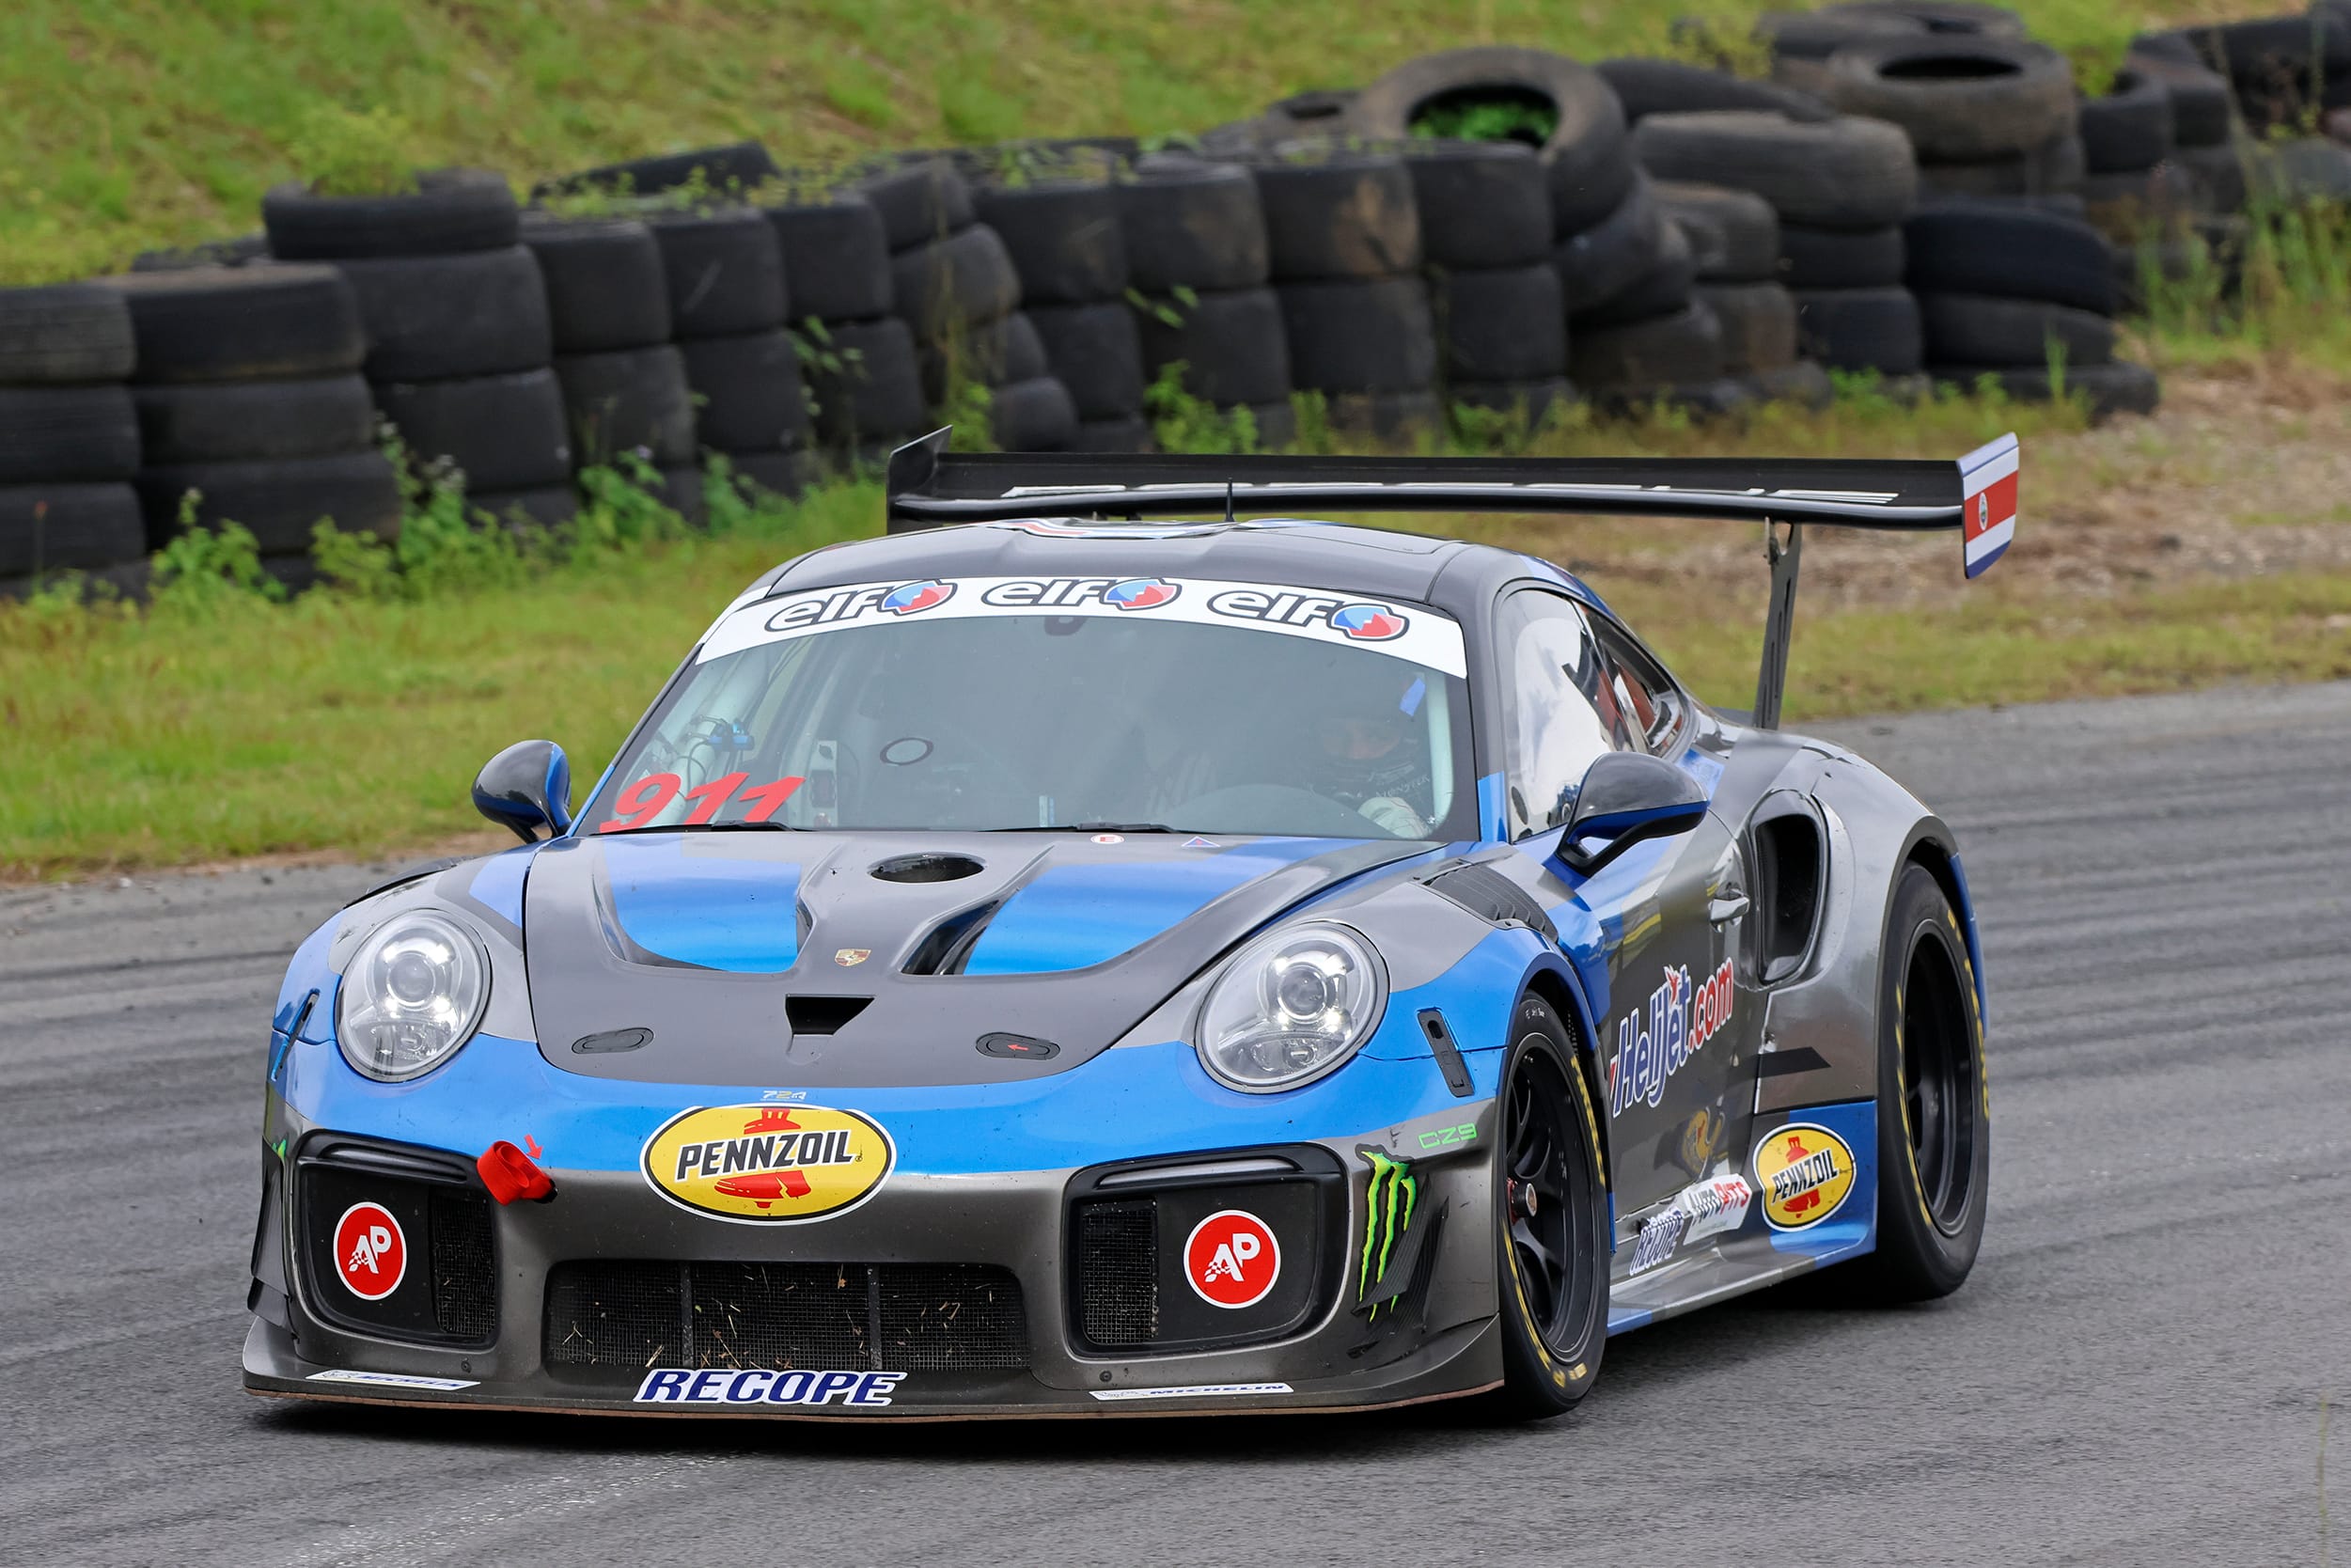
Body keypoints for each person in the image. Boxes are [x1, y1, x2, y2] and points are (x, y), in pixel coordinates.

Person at [1308, 669, 1434, 837]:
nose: (1355, 753)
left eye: (1376, 737)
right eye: (1335, 733)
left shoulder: (1444, 802)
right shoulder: (1274, 808)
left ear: (1408, 744)